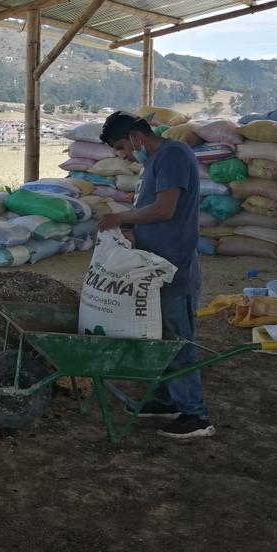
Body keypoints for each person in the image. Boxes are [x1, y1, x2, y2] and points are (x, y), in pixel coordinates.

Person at [97, 111, 212, 439]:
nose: (124, 154)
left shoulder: (173, 155)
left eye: (122, 147)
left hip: (174, 264)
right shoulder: (156, 162)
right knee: (160, 335)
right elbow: (154, 212)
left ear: (136, 136)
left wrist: (120, 220)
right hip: (155, 264)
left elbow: (165, 209)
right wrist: (132, 228)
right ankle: (165, 400)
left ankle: (196, 415)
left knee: (178, 339)